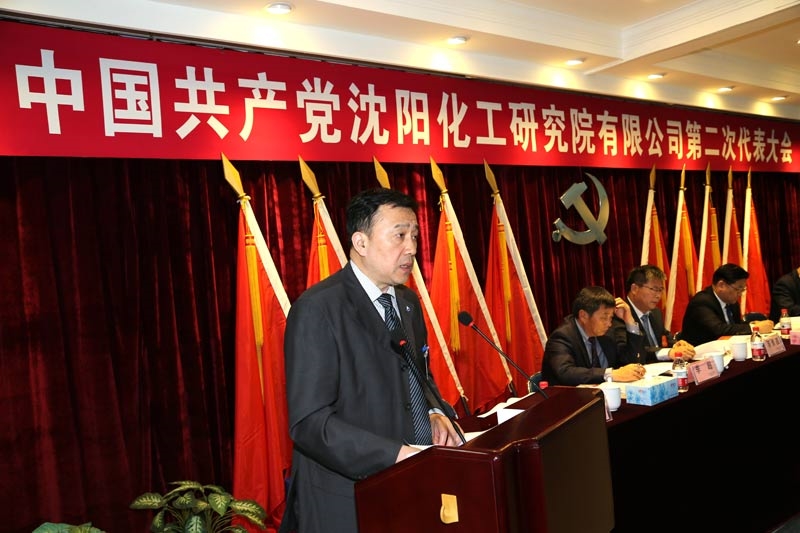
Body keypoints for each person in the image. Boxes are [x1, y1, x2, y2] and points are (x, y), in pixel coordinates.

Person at [280, 188, 462, 533]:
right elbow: (310, 423)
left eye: (414, 236)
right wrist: (395, 455)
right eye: (399, 235)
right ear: (360, 242)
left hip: (408, 487)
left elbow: (418, 376)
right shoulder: (318, 309)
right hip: (346, 498)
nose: (411, 248)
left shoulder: (407, 302)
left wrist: (434, 412)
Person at [541, 285, 646, 386]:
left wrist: (630, 322)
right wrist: (610, 374)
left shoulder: (607, 332)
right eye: (604, 318)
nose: (609, 323)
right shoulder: (562, 336)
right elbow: (565, 372)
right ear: (583, 316)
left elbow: (629, 360)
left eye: (611, 317)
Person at [613, 265, 695, 363]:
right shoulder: (620, 314)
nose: (658, 295)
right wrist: (668, 352)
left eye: (660, 290)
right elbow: (631, 351)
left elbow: (666, 336)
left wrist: (677, 344)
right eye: (654, 289)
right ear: (634, 289)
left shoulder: (656, 313)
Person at [680, 263, 774, 346]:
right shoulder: (702, 302)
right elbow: (719, 329)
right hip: (700, 354)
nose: (740, 294)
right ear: (721, 285)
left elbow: (735, 326)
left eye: (743, 289)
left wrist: (752, 324)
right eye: (738, 289)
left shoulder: (731, 302)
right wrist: (754, 328)